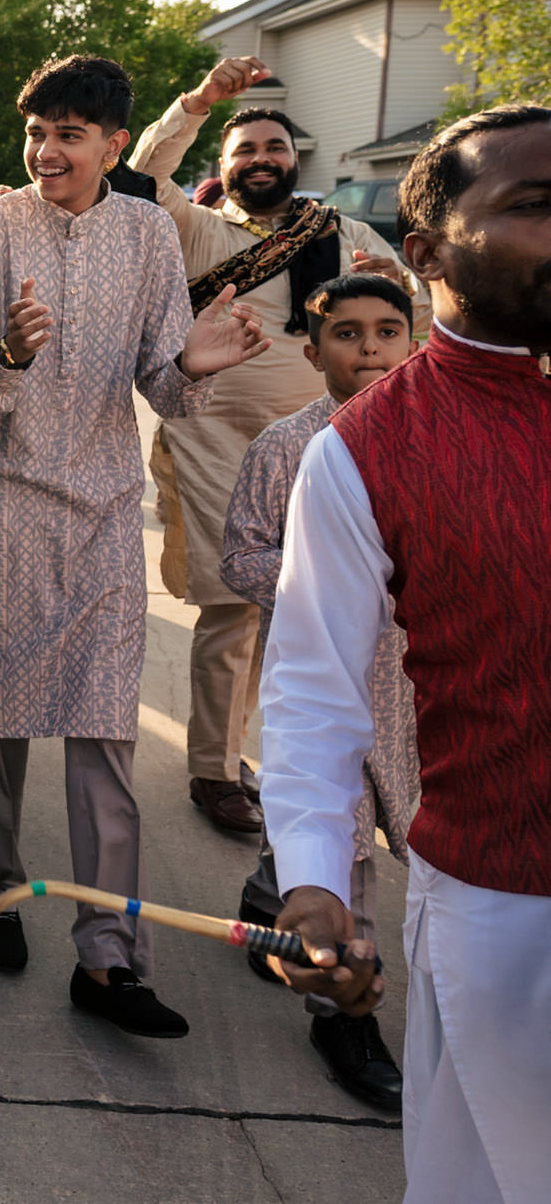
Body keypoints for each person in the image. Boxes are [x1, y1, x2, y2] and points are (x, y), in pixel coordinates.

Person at [0, 54, 268, 1039]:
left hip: (101, 515)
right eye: (37, 132)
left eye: (68, 134)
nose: (46, 150)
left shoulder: (148, 234)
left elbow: (162, 382)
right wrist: (9, 352)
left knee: (103, 741)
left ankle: (109, 952)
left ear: (113, 145)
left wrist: (191, 365)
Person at [260, 107, 551, 1202]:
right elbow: (310, 689)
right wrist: (312, 880)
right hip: (507, 920)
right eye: (533, 205)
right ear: (425, 253)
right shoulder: (363, 452)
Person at [130, 55, 421, 835]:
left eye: (275, 148)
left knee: (299, 609)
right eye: (245, 151)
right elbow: (139, 177)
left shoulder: (342, 230)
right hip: (215, 440)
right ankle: (212, 772)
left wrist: (395, 280)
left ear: (295, 160)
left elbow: (410, 316)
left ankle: (241, 748)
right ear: (224, 169)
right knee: (233, 608)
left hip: (327, 447)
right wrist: (196, 102)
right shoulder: (195, 227)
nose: (262, 159)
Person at [220, 272, 417, 1111]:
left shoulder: (430, 442)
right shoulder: (287, 445)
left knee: (400, 834)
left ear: (415, 342)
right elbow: (241, 556)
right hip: (325, 678)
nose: (368, 349)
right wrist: (332, 581)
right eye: (347, 333)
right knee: (338, 840)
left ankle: (271, 891)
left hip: (414, 693)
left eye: (385, 332)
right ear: (313, 349)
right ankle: (341, 1015)